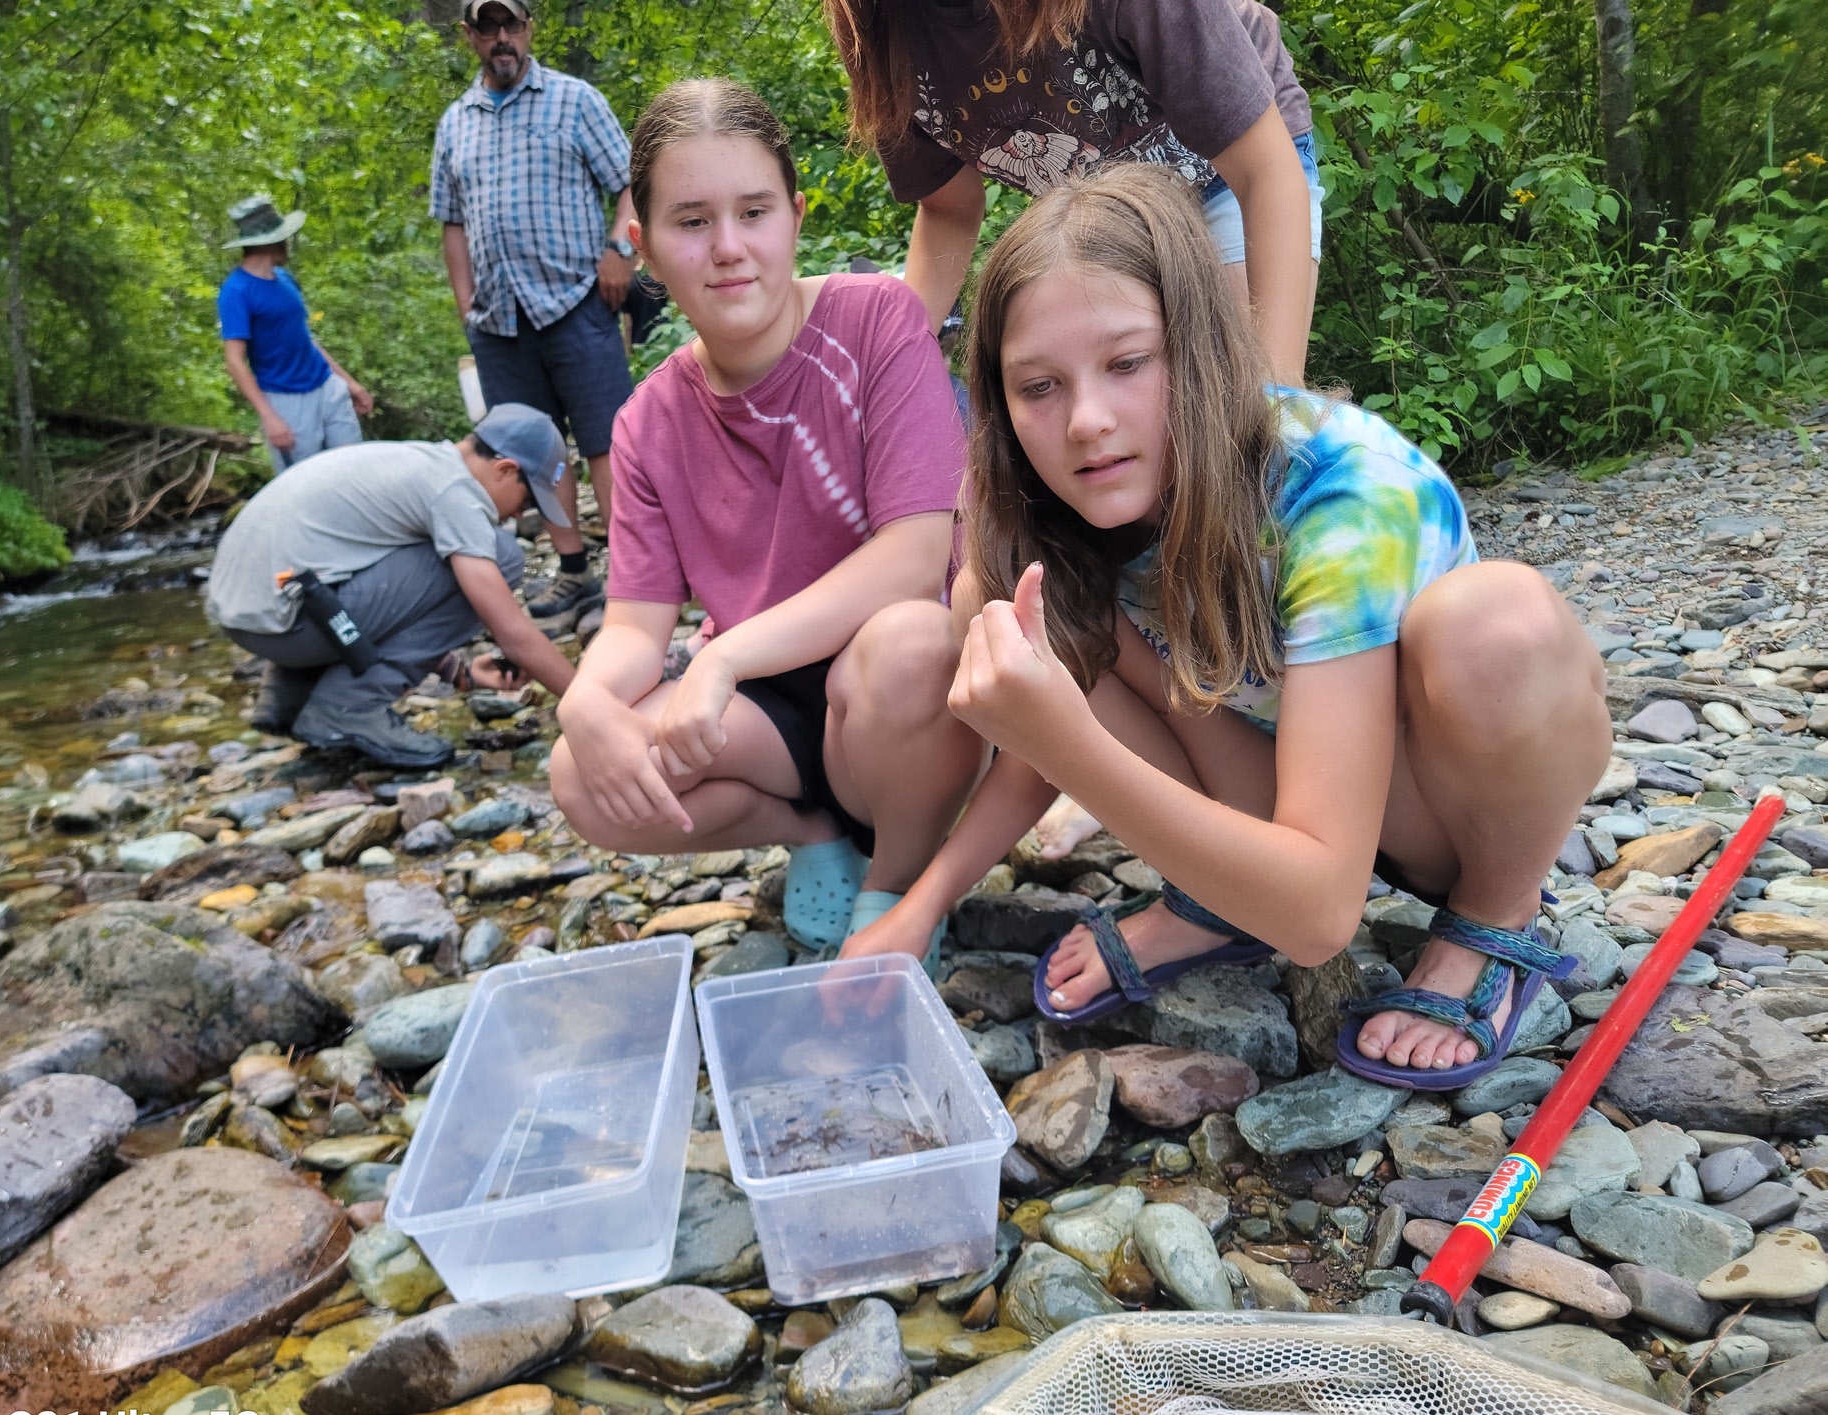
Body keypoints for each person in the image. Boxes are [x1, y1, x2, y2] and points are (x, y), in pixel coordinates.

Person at [842, 165, 1611, 1089]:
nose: (1087, 421)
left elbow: (1323, 917)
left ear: (1202, 346)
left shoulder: (1340, 491)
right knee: (1021, 607)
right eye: (1038, 386)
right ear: (997, 404)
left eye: (1128, 363)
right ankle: (1223, 900)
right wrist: (919, 906)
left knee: (1500, 620)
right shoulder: (1052, 513)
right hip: (1278, 781)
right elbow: (1027, 755)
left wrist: (1068, 741)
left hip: (1432, 805)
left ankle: (1494, 915)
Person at [548, 78, 984, 958]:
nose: (728, 249)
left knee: (908, 640)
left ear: (794, 212)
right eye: (691, 221)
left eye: (753, 211)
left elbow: (912, 556)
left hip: (910, 697)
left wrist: (722, 656)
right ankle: (807, 828)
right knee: (580, 776)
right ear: (643, 243)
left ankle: (895, 885)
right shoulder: (644, 424)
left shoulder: (878, 322)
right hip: (775, 716)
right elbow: (635, 621)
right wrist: (585, 702)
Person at [823, 0, 1323, 388]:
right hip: (1106, 218)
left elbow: (1264, 173)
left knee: (1233, 397)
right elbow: (949, 208)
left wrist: (1280, 397)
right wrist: (892, 362)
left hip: (1230, 172)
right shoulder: (873, 27)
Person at [206, 403, 578, 768]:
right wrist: (592, 702)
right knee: (503, 555)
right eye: (527, 500)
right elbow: (512, 633)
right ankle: (348, 707)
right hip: (293, 625)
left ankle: (291, 695)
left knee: (457, 554)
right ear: (505, 469)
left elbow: (393, 594)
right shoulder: (456, 493)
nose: (518, 514)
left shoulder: (417, 461)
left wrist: (457, 672)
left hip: (255, 620)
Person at [431, 0, 638, 621]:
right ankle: (574, 572)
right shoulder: (455, 123)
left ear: (529, 30)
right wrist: (464, 302)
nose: (502, 38)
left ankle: (632, 580)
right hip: (498, 320)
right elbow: (452, 221)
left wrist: (620, 250)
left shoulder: (575, 101)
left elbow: (630, 182)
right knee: (531, 452)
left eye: (512, 25)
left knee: (608, 441)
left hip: (576, 299)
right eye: (488, 27)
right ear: (470, 36)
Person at [217, 194, 374, 474]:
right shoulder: (236, 291)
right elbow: (235, 362)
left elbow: (305, 339)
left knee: (355, 472)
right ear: (271, 241)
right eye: (285, 236)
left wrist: (349, 383)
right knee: (303, 485)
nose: (289, 242)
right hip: (286, 402)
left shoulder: (286, 280)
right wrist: (270, 418)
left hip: (327, 388)